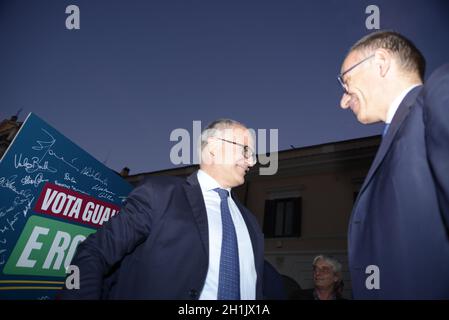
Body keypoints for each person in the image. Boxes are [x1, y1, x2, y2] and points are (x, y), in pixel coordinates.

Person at [59, 119, 264, 299]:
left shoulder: (251, 224)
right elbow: (92, 252)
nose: (251, 161)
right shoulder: (159, 194)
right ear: (213, 148)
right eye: (245, 150)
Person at [338, 30, 449, 299]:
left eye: (346, 82)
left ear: (380, 62)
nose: (343, 101)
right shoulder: (396, 135)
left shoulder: (438, 92)